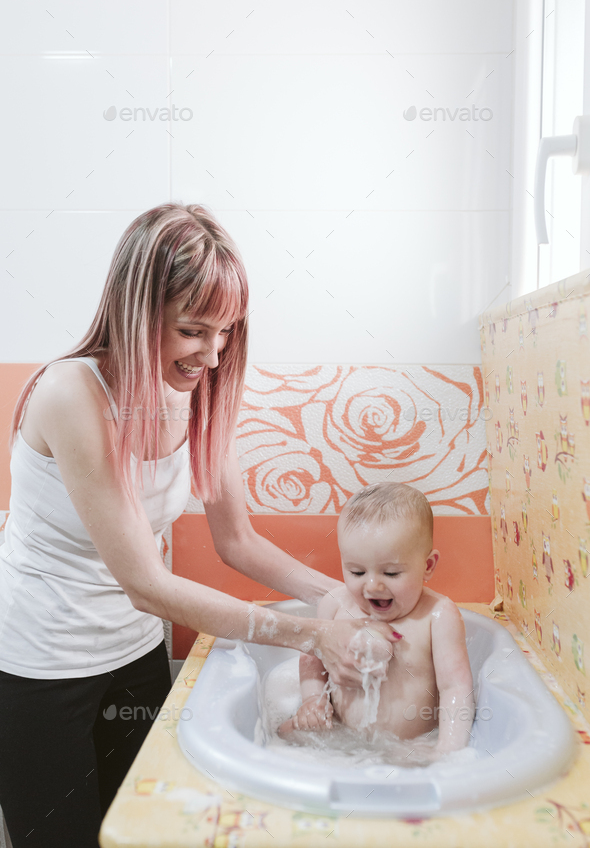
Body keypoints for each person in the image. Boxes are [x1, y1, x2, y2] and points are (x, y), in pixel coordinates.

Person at [0, 204, 397, 848]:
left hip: (132, 654)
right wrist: (310, 635)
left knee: (147, 834)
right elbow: (148, 586)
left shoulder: (198, 394)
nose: (213, 355)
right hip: (36, 669)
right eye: (193, 330)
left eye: (226, 332)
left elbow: (236, 541)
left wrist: (342, 600)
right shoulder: (72, 393)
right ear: (138, 312)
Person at [278, 481, 475, 760]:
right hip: (341, 737)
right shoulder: (335, 604)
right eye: (357, 572)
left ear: (427, 566)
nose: (372, 586)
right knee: (283, 732)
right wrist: (313, 701)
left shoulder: (438, 616)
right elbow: (311, 659)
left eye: (391, 573)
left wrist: (447, 750)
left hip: (411, 748)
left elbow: (456, 687)